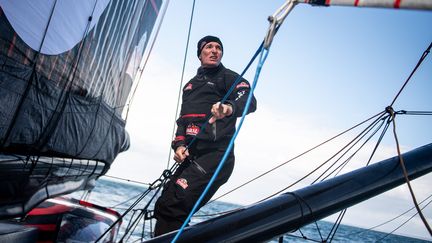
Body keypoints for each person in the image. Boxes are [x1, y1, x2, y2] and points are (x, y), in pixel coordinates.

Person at [153, 35, 257, 236]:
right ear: (200, 54)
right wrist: (179, 146)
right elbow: (182, 122)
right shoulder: (189, 86)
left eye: (218, 47)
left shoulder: (228, 77)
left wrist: (227, 108)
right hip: (192, 155)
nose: (214, 50)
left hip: (216, 156)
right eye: (209, 47)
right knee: (166, 202)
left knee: (177, 204)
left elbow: (249, 101)